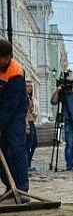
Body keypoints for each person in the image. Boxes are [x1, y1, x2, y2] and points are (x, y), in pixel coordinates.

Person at [0, 38, 29, 197]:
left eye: (6, 58)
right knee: (1, 152)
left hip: (15, 113)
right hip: (2, 112)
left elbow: (11, 104)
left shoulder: (16, 71)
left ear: (10, 56)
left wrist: (0, 125)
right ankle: (10, 186)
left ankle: (22, 188)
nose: (4, 61)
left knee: (17, 148)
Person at [25, 80, 38, 172]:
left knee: (34, 143)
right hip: (27, 123)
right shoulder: (23, 98)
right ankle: (26, 165)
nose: (30, 88)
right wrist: (26, 126)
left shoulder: (29, 97)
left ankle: (28, 163)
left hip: (31, 121)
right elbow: (23, 113)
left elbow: (30, 110)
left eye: (31, 86)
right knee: (28, 144)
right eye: (27, 86)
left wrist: (33, 113)